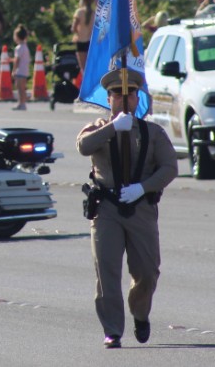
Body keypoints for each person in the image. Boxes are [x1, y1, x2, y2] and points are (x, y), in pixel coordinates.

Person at [76, 67, 178, 348]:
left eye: (129, 93)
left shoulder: (152, 132)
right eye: (117, 94)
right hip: (106, 209)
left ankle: (140, 312)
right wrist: (112, 128)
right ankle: (112, 330)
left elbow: (170, 167)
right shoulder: (98, 128)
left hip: (140, 207)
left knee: (147, 271)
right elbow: (83, 146)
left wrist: (143, 188)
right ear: (108, 99)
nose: (123, 98)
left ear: (137, 98)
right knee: (107, 271)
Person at [71, 0, 96, 76]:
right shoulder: (94, 13)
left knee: (83, 67)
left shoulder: (79, 12)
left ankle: (85, 85)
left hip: (81, 41)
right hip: (92, 42)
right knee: (92, 65)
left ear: (83, 0)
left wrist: (77, 34)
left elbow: (73, 28)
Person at [12, 24, 31, 110]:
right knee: (22, 87)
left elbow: (17, 60)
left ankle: (21, 103)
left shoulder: (18, 48)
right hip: (25, 70)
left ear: (17, 37)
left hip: (20, 71)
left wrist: (13, 70)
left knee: (20, 88)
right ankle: (23, 102)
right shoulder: (25, 47)